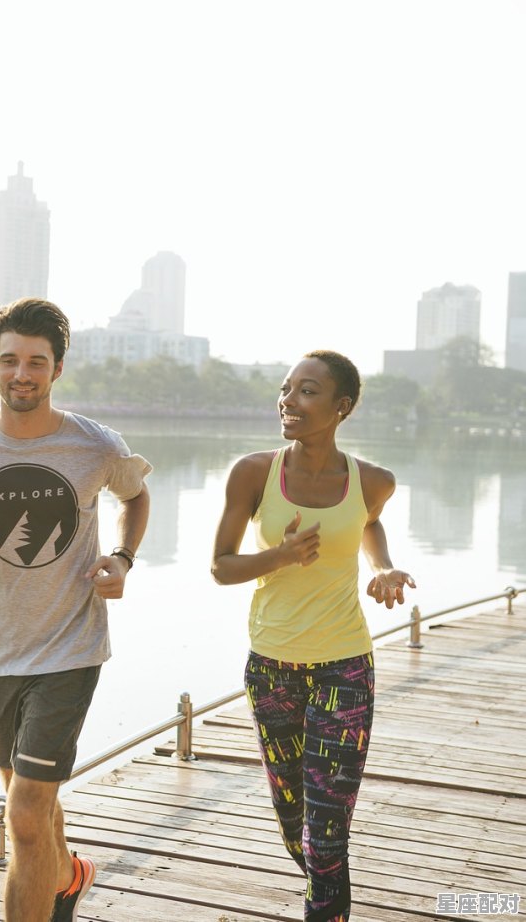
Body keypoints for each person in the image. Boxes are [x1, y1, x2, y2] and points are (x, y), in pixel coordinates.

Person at [0, 297, 151, 922]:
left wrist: (123, 558)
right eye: (11, 360)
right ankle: (68, 876)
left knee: (22, 815)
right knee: (29, 801)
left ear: (58, 369)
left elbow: (136, 495)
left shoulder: (93, 444)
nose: (24, 373)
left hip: (71, 648)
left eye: (37, 362)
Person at [211, 350, 415, 922]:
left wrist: (383, 568)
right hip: (270, 669)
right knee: (295, 825)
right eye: (285, 389)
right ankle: (332, 899)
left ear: (341, 407)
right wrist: (278, 555)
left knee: (326, 832)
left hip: (343, 666)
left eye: (307, 391)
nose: (288, 400)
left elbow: (368, 521)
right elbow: (221, 566)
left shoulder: (374, 481)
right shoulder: (253, 473)